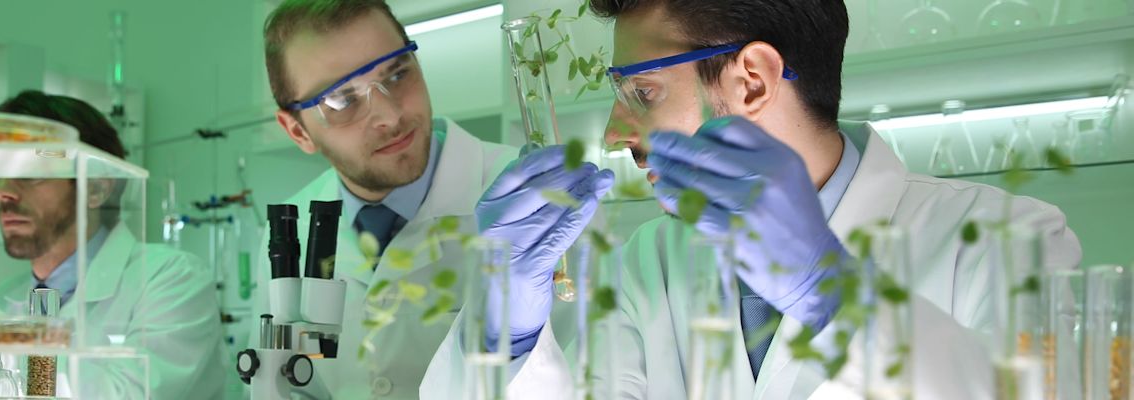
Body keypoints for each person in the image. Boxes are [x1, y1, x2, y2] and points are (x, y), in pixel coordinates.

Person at [422, 0, 1082, 398]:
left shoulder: (1007, 239)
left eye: (642, 93)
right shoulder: (648, 260)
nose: (618, 135)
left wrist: (837, 297)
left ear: (754, 78)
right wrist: (503, 333)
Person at [248, 0, 609, 398]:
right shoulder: (289, 228)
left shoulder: (539, 204)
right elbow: (280, 385)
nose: (388, 114)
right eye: (342, 100)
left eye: (398, 72)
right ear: (297, 131)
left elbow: (598, 379)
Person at [0, 91, 226, 399]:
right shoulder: (10, 296)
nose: (3, 193)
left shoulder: (172, 280)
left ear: (97, 186)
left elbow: (121, 394)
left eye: (28, 174)